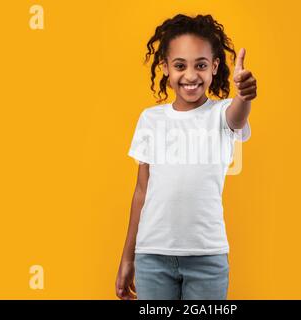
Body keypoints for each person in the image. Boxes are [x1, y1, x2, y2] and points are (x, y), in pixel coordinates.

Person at [116, 13, 257, 300]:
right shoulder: (150, 119)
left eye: (201, 65)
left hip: (208, 258)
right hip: (152, 256)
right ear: (165, 67)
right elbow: (141, 191)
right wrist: (127, 257)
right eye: (180, 65)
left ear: (215, 67)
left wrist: (244, 95)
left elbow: (237, 116)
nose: (190, 75)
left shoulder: (222, 114)